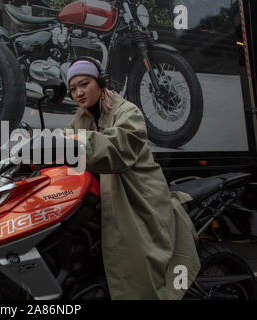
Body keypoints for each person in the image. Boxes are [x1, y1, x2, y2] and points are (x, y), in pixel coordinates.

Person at [63, 56, 201, 300]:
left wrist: (73, 143)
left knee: (137, 270)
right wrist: (25, 147)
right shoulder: (81, 119)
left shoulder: (127, 111)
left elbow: (116, 148)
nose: (79, 93)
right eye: (73, 89)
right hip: (105, 197)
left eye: (84, 84)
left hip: (138, 199)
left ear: (100, 83)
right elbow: (62, 140)